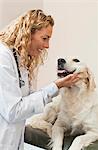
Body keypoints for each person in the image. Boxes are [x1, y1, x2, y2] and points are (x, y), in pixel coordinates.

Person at [0, 9, 79, 150]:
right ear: (28, 33)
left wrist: (58, 87)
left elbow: (28, 102)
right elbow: (14, 111)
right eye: (44, 38)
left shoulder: (21, 61)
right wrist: (55, 86)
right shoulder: (3, 57)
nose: (47, 45)